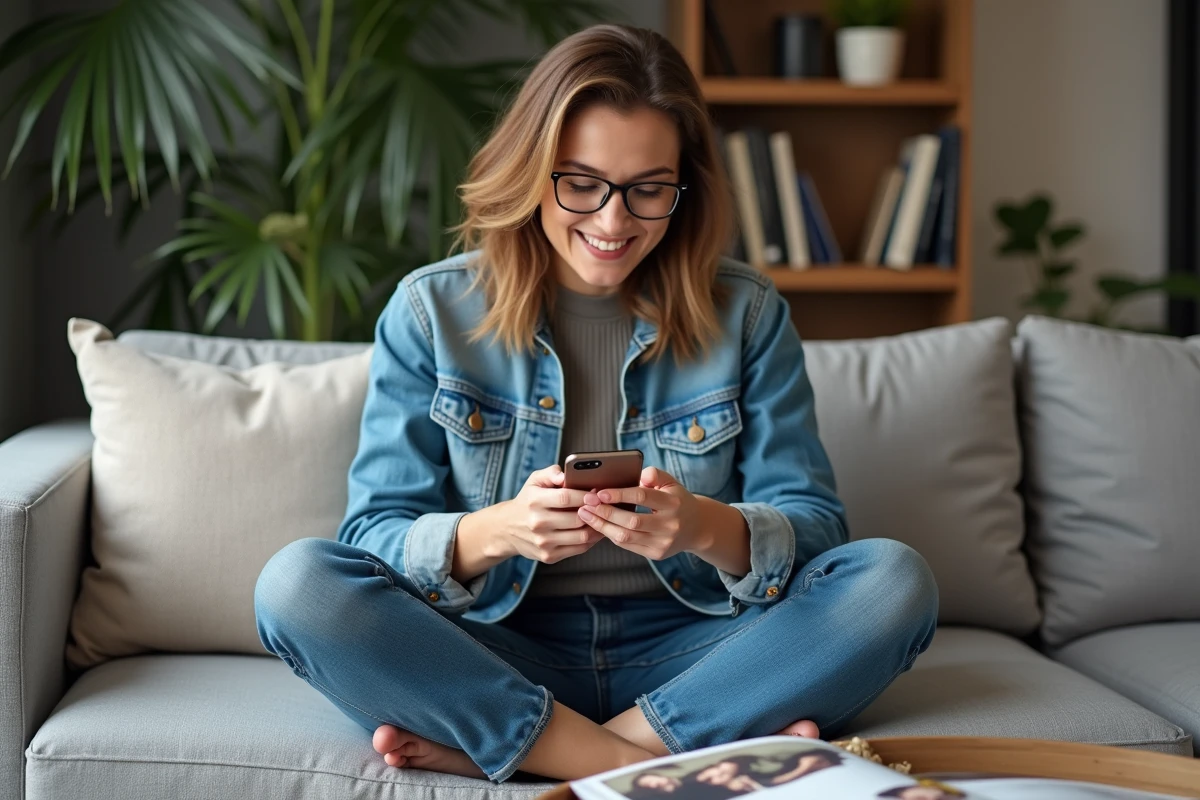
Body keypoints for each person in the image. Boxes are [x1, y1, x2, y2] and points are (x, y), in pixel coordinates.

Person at [252, 22, 939, 785]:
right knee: (297, 585)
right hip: (497, 648)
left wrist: (704, 527)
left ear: (685, 187)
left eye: (648, 190)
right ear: (532, 169)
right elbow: (372, 535)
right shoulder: (431, 311)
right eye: (581, 183)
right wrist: (495, 532)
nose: (614, 223)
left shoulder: (745, 313)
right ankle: (648, 758)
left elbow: (817, 531)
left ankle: (541, 750)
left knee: (894, 582)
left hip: (700, 650)